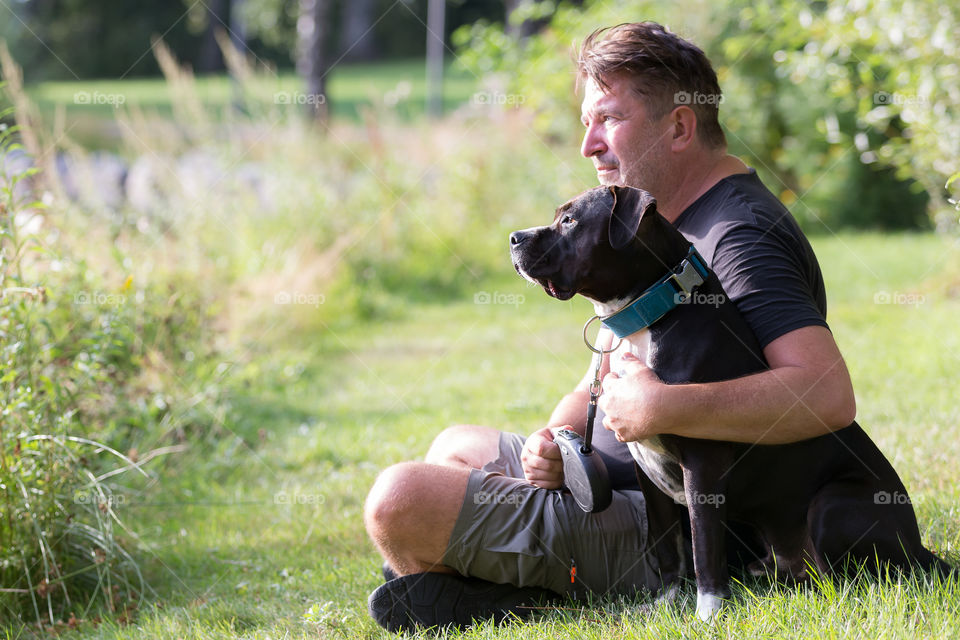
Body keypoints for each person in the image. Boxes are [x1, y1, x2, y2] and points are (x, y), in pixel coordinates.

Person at [364, 21, 856, 632]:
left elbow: (826, 394)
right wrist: (555, 439)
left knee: (401, 499)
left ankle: (518, 588)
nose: (588, 145)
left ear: (679, 125)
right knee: (454, 446)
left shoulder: (738, 237)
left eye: (610, 119)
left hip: (678, 521)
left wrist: (661, 410)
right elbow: (604, 375)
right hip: (610, 477)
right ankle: (497, 588)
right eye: (586, 124)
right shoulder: (662, 224)